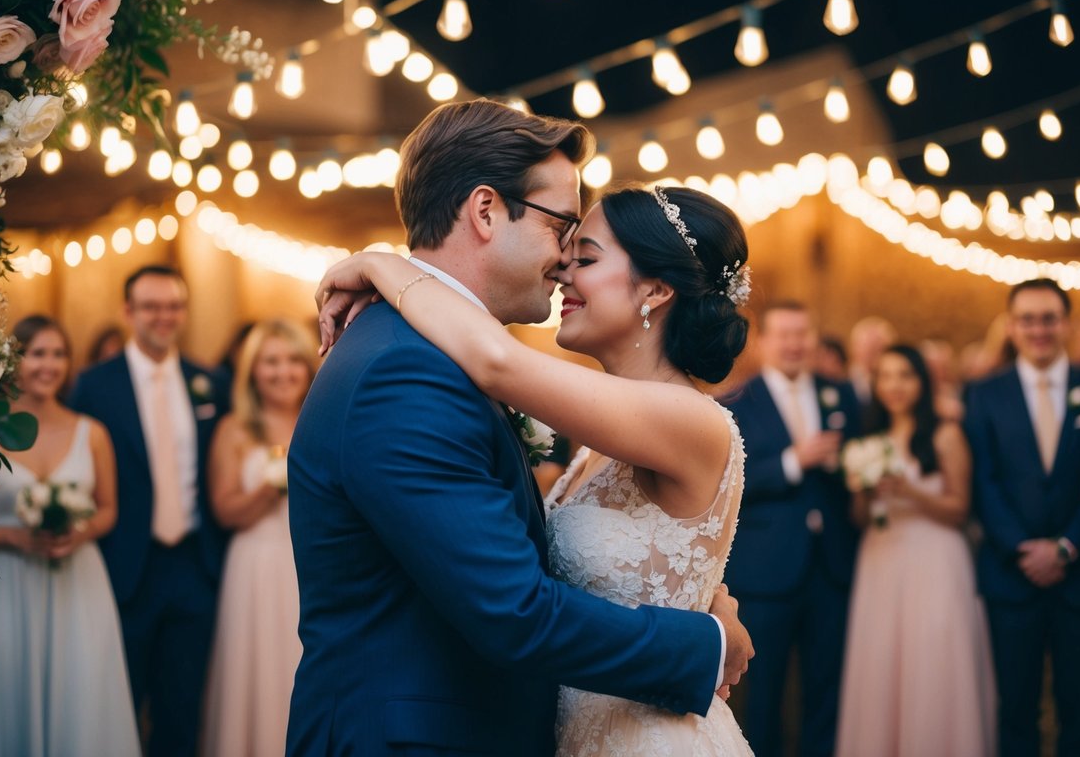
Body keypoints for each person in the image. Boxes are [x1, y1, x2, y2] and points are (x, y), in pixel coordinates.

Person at [293, 99, 753, 757]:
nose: (565, 260)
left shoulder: (455, 360)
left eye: (583, 251)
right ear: (485, 211)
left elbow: (498, 362)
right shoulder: (408, 370)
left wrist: (379, 263)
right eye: (563, 227)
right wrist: (702, 641)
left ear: (654, 291)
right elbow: (515, 610)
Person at [0, 315, 140, 757]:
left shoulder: (91, 432)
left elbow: (109, 510)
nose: (50, 365)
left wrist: (77, 535)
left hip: (76, 581)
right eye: (38, 353)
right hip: (3, 583)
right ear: (13, 362)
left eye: (59, 354)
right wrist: (13, 540)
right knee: (5, 689)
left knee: (80, 690)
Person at [965, 278, 1080, 757]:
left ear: (1066, 324)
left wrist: (1066, 548)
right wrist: (1022, 547)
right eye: (1028, 319)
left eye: (1049, 318)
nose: (1039, 329)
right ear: (1012, 327)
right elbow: (984, 483)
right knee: (1015, 709)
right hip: (1010, 576)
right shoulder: (984, 394)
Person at [69, 266, 227, 757]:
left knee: (180, 713)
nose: (165, 317)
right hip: (124, 567)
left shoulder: (208, 382)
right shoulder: (94, 386)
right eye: (152, 307)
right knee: (117, 707)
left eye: (174, 306)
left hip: (194, 567)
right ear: (129, 312)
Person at [836, 345, 995, 757]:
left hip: (934, 558)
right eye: (885, 376)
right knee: (882, 661)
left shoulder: (945, 434)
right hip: (881, 557)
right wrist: (864, 493)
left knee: (931, 660)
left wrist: (907, 490)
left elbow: (960, 508)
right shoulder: (869, 440)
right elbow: (859, 517)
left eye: (904, 375)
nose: (894, 385)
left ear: (921, 381)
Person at [722, 301, 860, 756]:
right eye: (784, 335)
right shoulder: (736, 403)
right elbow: (731, 483)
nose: (795, 344)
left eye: (803, 334)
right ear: (764, 342)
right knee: (763, 692)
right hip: (766, 571)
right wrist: (791, 462)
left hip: (832, 568)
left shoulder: (842, 395)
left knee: (827, 688)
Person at [204, 320, 317, 757]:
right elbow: (225, 511)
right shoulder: (235, 428)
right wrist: (272, 484)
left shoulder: (320, 418)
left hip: (311, 564)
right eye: (270, 362)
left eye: (292, 361)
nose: (282, 372)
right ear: (253, 370)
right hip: (254, 562)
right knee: (257, 671)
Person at [847, 316, 895, 410]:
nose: (872, 354)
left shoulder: (895, 385)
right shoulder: (840, 378)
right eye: (867, 347)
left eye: (879, 348)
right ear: (853, 348)